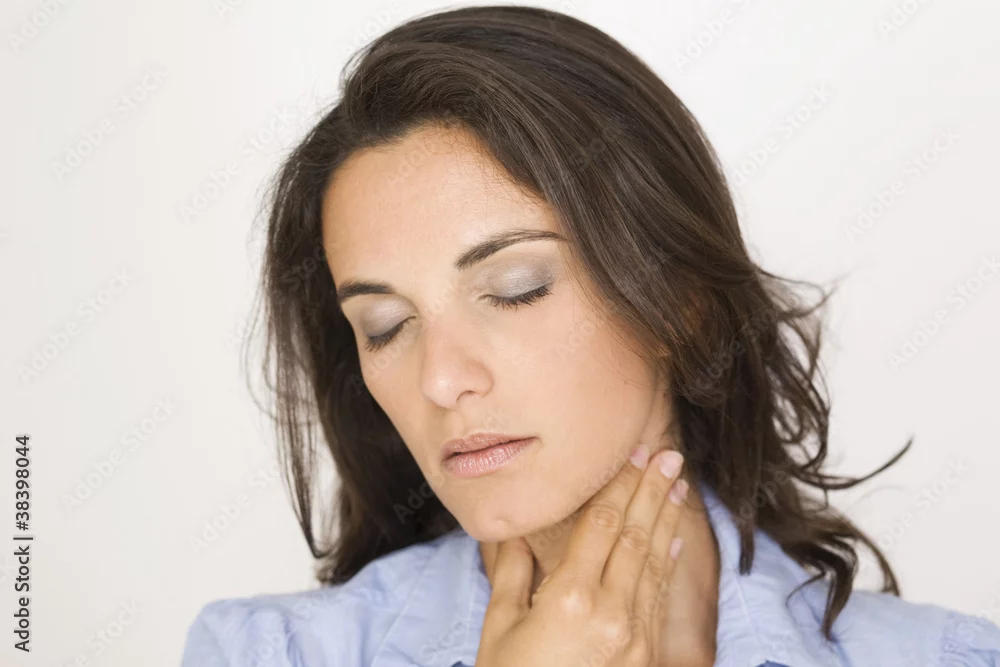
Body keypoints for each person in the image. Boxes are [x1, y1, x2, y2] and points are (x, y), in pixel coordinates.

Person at [180, 5, 1000, 666]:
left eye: (515, 289)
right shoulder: (269, 652)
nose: (440, 377)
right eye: (386, 326)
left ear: (679, 300)